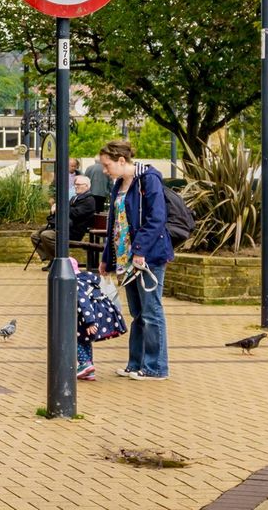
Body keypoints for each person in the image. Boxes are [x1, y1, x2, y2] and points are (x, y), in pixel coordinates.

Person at [99, 139, 173, 381]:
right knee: (138, 312)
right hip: (126, 257)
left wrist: (140, 250)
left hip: (147, 256)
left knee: (151, 310)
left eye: (107, 165)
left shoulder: (147, 179)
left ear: (121, 161)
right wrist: (106, 258)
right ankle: (136, 363)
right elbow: (116, 223)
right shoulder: (119, 184)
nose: (104, 170)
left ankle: (156, 367)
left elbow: (156, 218)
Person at [74, 258, 128, 381]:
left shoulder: (76, 283)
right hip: (97, 313)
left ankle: (84, 364)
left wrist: (90, 322)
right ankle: (89, 370)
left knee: (74, 339)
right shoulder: (87, 279)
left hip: (86, 318)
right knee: (85, 340)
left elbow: (84, 303)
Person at [32, 175, 97, 270]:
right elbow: (67, 211)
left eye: (78, 184)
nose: (75, 186)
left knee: (46, 235)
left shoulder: (89, 200)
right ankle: (53, 259)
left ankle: (60, 261)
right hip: (64, 227)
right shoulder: (75, 198)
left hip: (73, 231)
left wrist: (60, 207)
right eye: (75, 184)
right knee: (35, 235)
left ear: (86, 186)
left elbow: (75, 213)